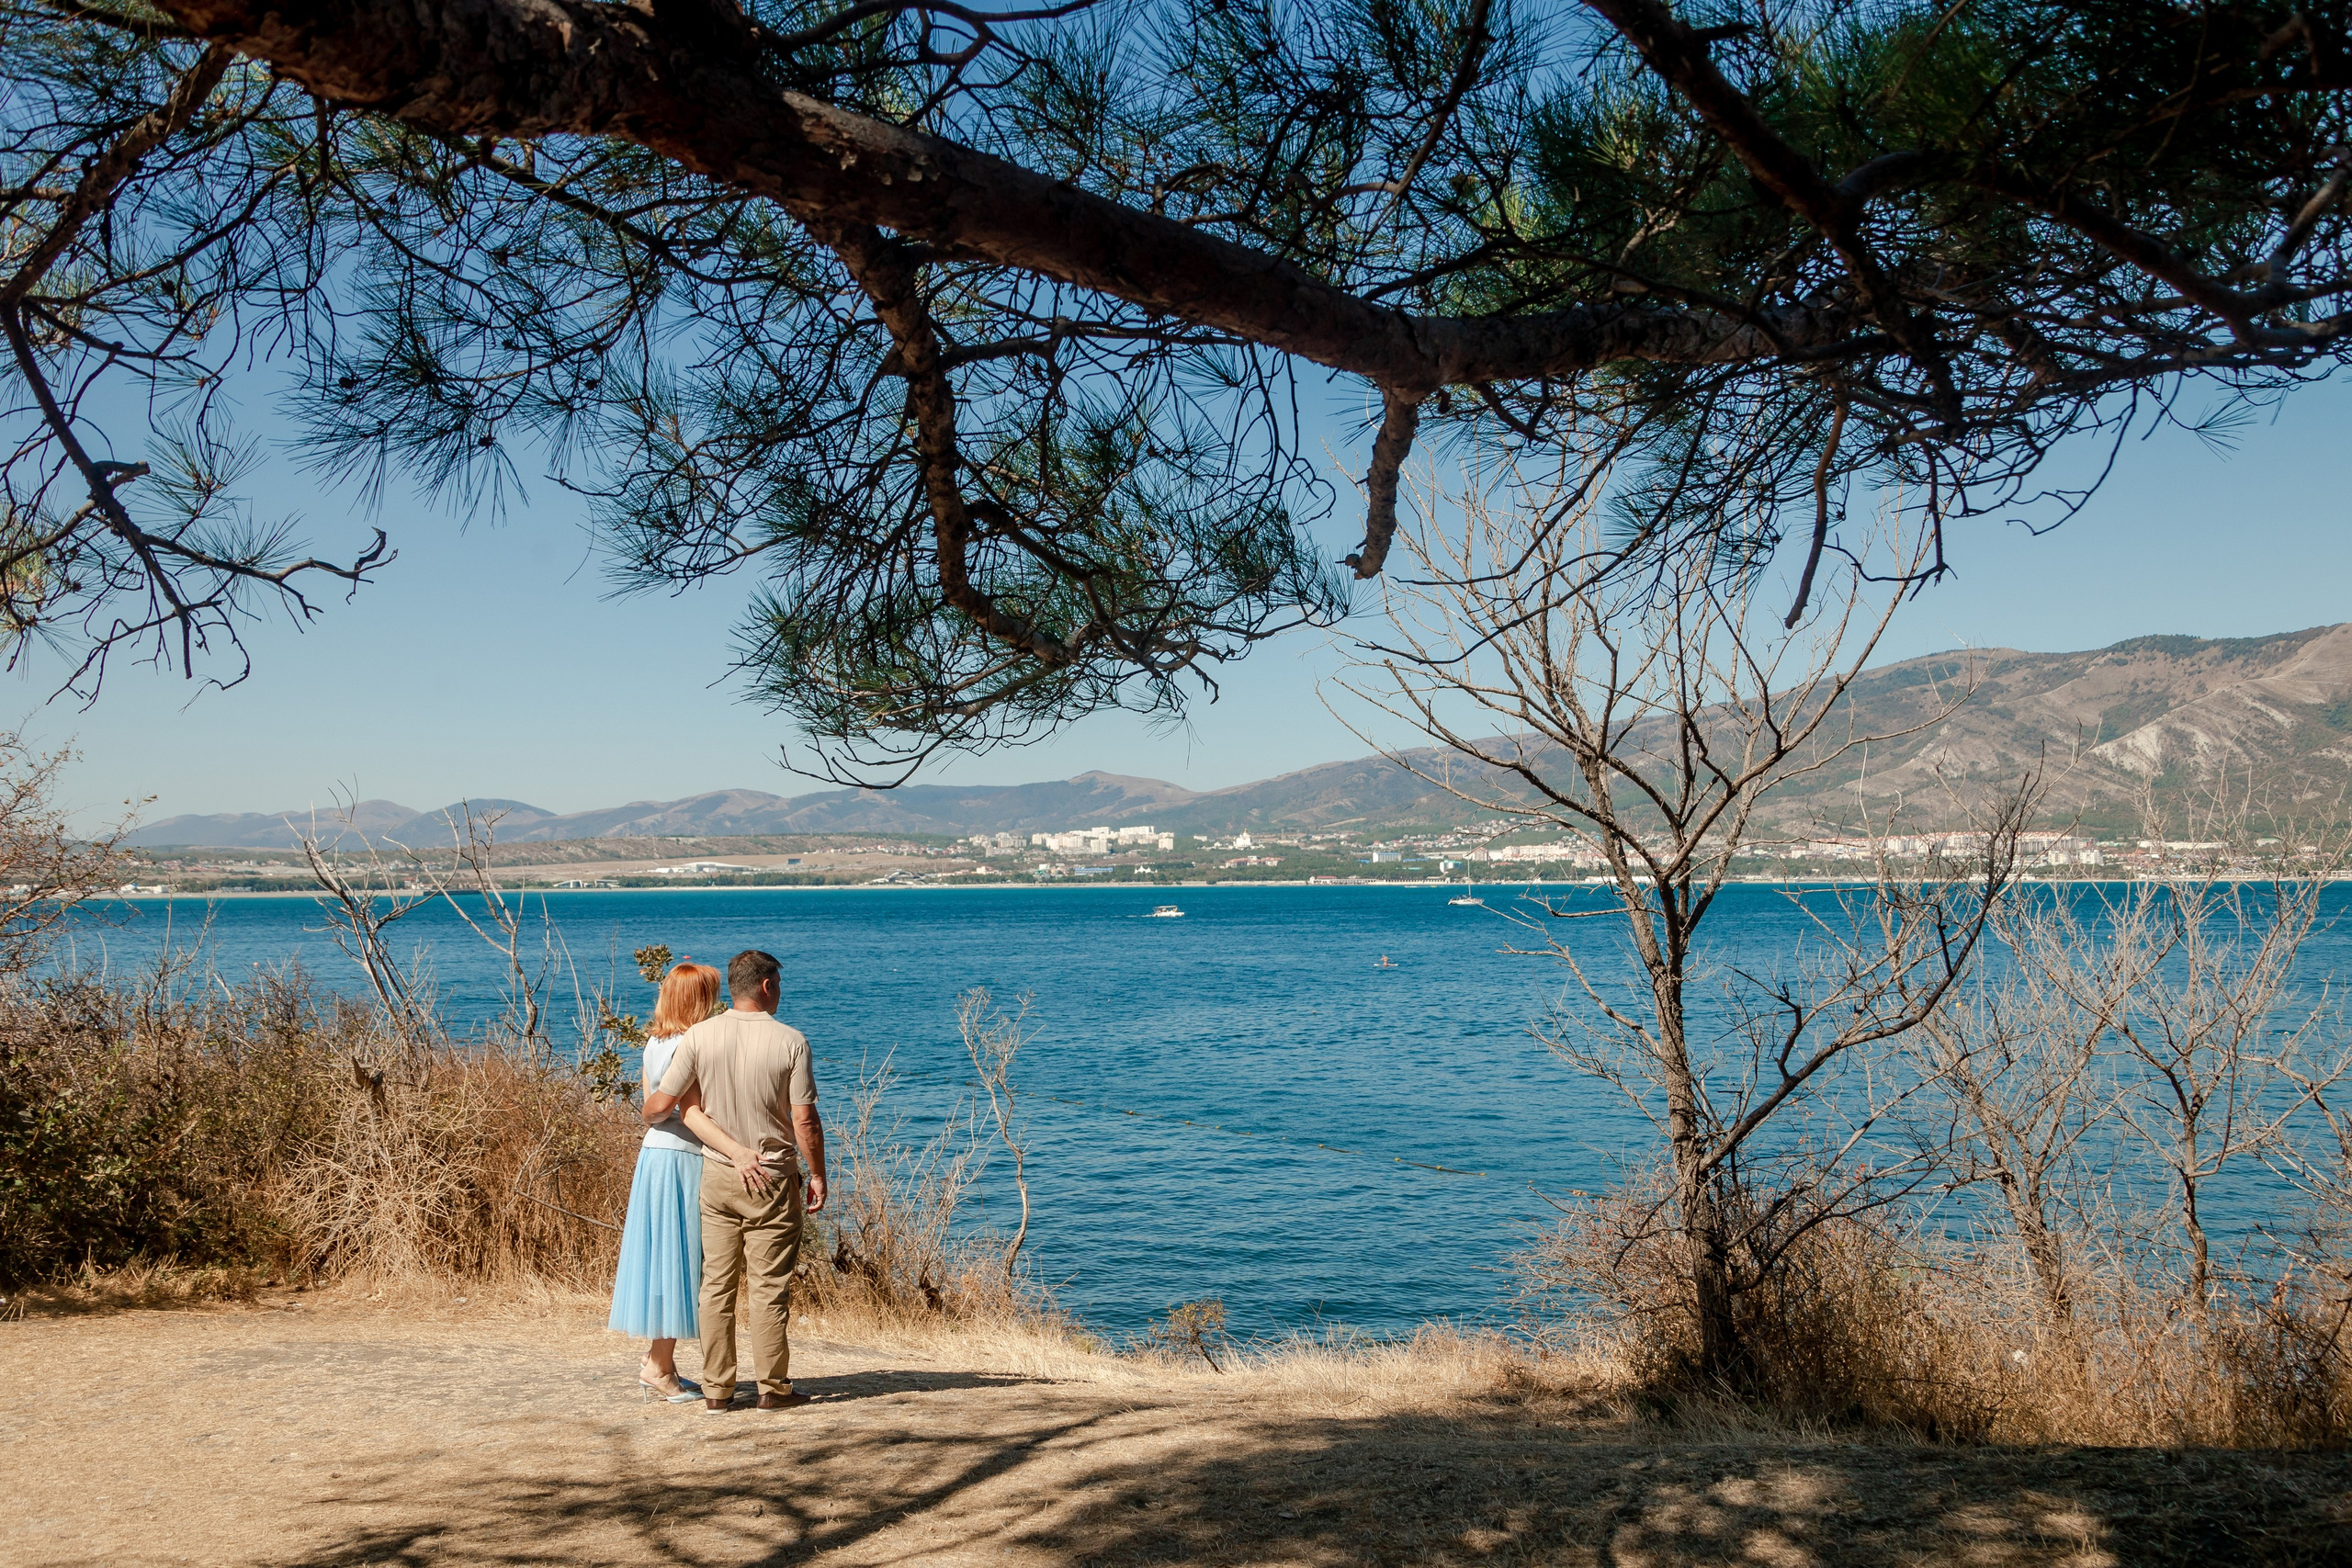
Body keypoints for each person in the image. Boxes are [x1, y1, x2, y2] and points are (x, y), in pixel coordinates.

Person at [643, 948, 828, 1415]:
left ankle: (717, 1390)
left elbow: (671, 1106)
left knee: (716, 1285)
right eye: (779, 986)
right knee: (768, 1287)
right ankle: (772, 1388)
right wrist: (819, 1174)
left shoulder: (700, 1037)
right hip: (771, 1175)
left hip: (718, 1175)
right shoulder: (792, 1041)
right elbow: (804, 1120)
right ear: (767, 986)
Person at [608, 959, 723, 1402]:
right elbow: (692, 1111)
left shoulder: (654, 1043)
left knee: (663, 1258)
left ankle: (662, 1363)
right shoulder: (691, 1045)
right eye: (710, 995)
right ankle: (658, 1366)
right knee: (683, 1258)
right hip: (682, 1156)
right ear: (698, 1000)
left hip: (654, 1154)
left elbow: (650, 1105)